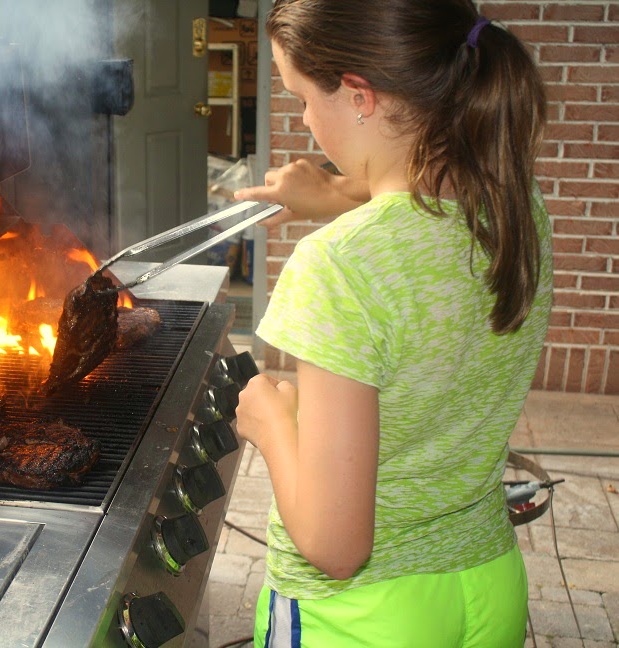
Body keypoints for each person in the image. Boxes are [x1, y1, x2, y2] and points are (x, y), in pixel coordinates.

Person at [232, 0, 552, 646]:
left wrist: (270, 421)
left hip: (360, 618)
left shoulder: (339, 266)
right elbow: (419, 193)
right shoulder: (517, 209)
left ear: (360, 96)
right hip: (487, 588)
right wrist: (332, 192)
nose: (304, 120)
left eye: (301, 98)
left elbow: (335, 545)